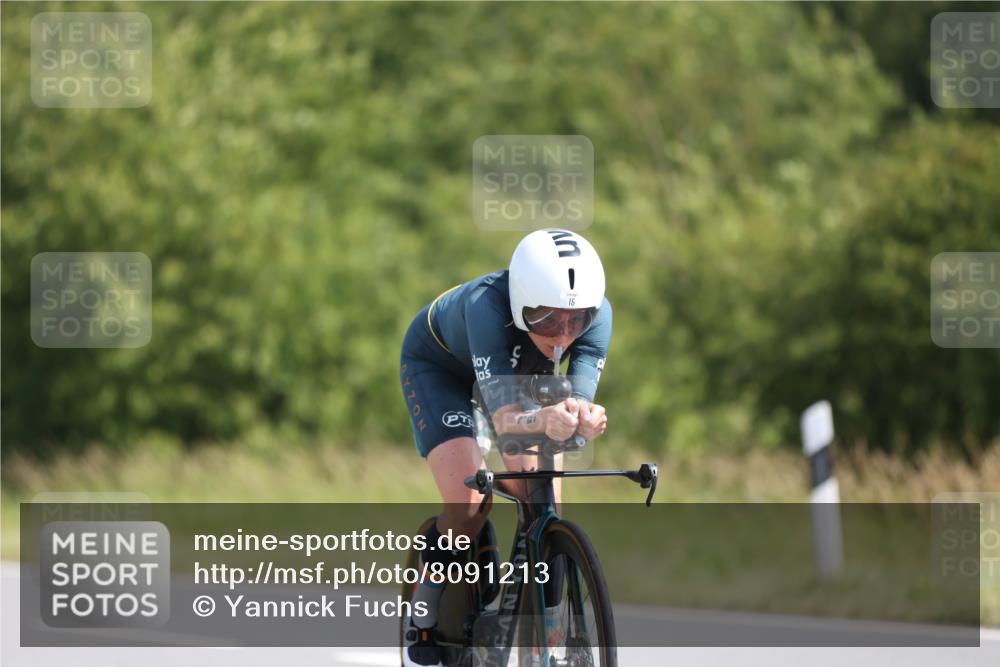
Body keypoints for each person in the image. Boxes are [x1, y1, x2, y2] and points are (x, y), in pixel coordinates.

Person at [398, 228, 612, 667]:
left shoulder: (598, 316)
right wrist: (544, 420)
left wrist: (584, 416)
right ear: (520, 305)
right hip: (441, 370)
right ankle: (424, 608)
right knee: (469, 501)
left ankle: (547, 637)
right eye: (547, 320)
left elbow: (576, 404)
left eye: (577, 320)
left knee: (544, 495)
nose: (563, 335)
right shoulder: (486, 308)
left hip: (514, 377)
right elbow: (508, 421)